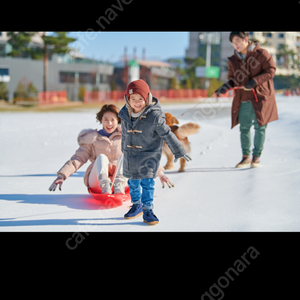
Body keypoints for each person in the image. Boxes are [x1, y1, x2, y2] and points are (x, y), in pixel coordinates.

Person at [49, 104, 173, 195]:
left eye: (112, 120)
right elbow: (78, 158)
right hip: (97, 181)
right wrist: (62, 175)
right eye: (106, 120)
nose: (109, 123)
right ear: (101, 120)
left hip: (121, 180)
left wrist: (160, 173)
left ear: (118, 120)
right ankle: (105, 186)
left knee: (126, 157)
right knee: (102, 157)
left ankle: (118, 185)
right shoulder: (92, 139)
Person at [119, 79, 191, 225]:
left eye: (140, 98)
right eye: (133, 99)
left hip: (148, 157)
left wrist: (178, 150)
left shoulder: (154, 116)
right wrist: (124, 149)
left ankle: (147, 209)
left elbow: (167, 133)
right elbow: (125, 135)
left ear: (147, 98)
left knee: (147, 183)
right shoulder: (125, 114)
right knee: (133, 183)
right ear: (128, 99)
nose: (137, 102)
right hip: (130, 156)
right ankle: (136, 205)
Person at [215, 31, 278, 168]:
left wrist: (254, 82)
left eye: (238, 40)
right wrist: (224, 87)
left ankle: (256, 157)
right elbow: (233, 79)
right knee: (244, 128)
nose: (235, 44)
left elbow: (271, 70)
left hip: (260, 97)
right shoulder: (233, 59)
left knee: (260, 127)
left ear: (246, 40)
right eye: (233, 42)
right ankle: (245, 157)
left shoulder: (261, 54)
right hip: (243, 98)